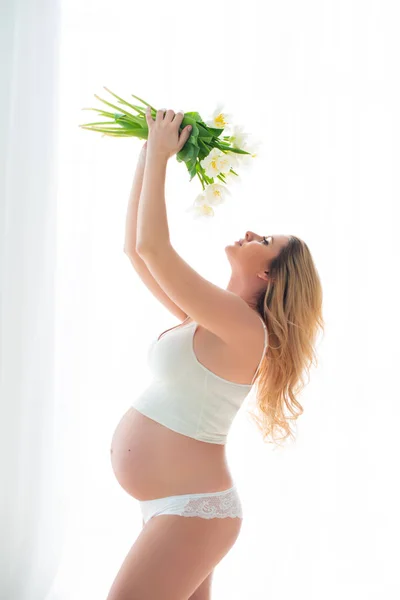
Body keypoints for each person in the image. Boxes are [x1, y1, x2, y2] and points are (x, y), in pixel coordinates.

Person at [106, 110, 324, 600]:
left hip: (192, 510)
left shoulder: (243, 328)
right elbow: (135, 251)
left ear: (269, 275)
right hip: (178, 507)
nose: (250, 232)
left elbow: (155, 246)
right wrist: (147, 152)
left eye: (265, 241)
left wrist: (163, 156)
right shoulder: (207, 317)